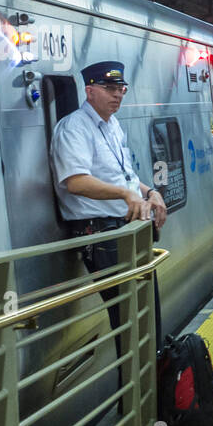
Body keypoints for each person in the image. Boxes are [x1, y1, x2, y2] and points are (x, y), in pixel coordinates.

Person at [51, 61, 166, 331]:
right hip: (101, 233)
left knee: (147, 310)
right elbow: (75, 182)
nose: (118, 95)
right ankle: (135, 372)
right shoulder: (74, 128)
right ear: (90, 91)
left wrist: (150, 192)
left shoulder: (112, 125)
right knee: (129, 318)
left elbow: (123, 176)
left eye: (122, 89)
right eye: (110, 88)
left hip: (125, 229)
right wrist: (126, 195)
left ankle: (155, 370)